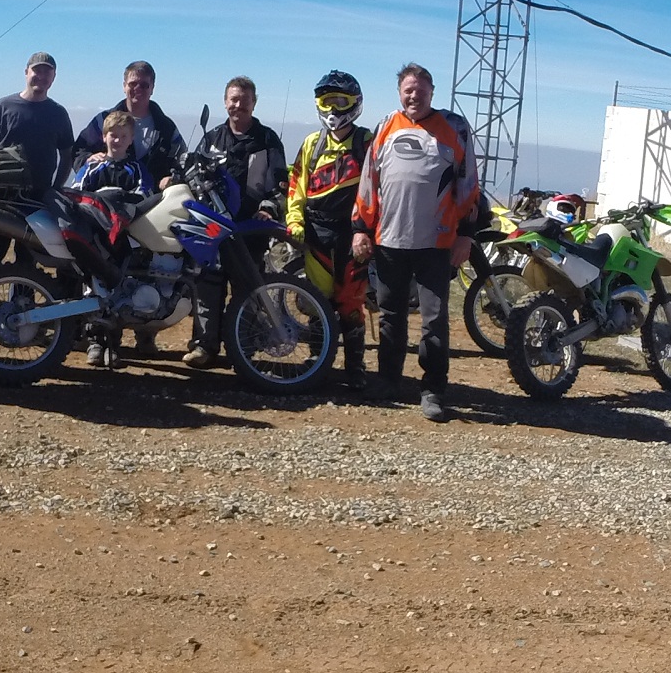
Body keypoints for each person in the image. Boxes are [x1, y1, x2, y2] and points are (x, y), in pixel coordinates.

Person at [351, 62, 480, 422]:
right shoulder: (385, 127)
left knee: (434, 321)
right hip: (389, 240)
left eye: (421, 91)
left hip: (436, 243)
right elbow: (369, 182)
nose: (414, 96)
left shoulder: (455, 128)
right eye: (408, 90)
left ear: (431, 93)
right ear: (399, 93)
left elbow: (469, 185)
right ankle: (388, 381)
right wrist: (361, 228)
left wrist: (466, 235)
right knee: (390, 316)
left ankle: (433, 390)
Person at [186, 75, 285, 369]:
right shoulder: (212, 138)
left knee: (248, 287)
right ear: (225, 101)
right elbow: (193, 174)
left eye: (244, 100)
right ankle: (204, 346)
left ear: (254, 103)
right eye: (233, 99)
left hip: (250, 227)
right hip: (214, 226)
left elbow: (280, 183)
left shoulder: (267, 140)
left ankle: (242, 349)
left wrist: (268, 208)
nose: (238, 105)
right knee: (208, 284)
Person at [286, 69, 373, 389]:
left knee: (351, 303)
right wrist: (294, 219)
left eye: (340, 101)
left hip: (353, 235)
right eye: (327, 101)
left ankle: (355, 366)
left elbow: (379, 189)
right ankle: (317, 359)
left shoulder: (366, 143)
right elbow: (296, 186)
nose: (334, 108)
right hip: (317, 234)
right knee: (317, 302)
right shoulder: (313, 143)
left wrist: (370, 230)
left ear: (355, 103)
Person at [64, 110, 155, 368]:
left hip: (123, 239)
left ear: (131, 139)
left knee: (120, 288)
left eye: (123, 136)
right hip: (95, 238)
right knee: (92, 287)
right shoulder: (92, 166)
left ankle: (114, 344)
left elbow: (145, 197)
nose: (118, 140)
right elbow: (77, 193)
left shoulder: (137, 169)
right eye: (113, 135)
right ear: (104, 137)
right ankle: (94, 342)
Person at [0, 52, 75, 271]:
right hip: (2, 197)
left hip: (37, 200)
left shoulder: (58, 113)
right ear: (26, 72)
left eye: (47, 72)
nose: (41, 76)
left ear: (54, 77)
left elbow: (67, 154)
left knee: (28, 263)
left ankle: (21, 295)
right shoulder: (5, 106)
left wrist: (55, 189)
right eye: (36, 70)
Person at [73, 61, 186, 183]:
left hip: (153, 194)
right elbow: (78, 151)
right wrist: (87, 159)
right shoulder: (104, 120)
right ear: (124, 86)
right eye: (133, 84)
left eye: (144, 85)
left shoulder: (167, 128)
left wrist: (171, 179)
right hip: (105, 192)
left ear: (152, 88)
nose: (138, 89)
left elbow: (182, 161)